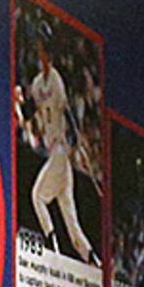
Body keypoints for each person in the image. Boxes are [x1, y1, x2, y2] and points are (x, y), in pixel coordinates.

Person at [21, 40, 93, 259]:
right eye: (40, 52)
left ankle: (53, 244)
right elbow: (30, 111)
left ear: (50, 57)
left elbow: (66, 111)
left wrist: (75, 138)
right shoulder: (36, 83)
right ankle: (92, 258)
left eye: (45, 52)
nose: (43, 56)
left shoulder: (55, 79)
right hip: (53, 151)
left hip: (60, 151)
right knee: (70, 218)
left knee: (38, 197)